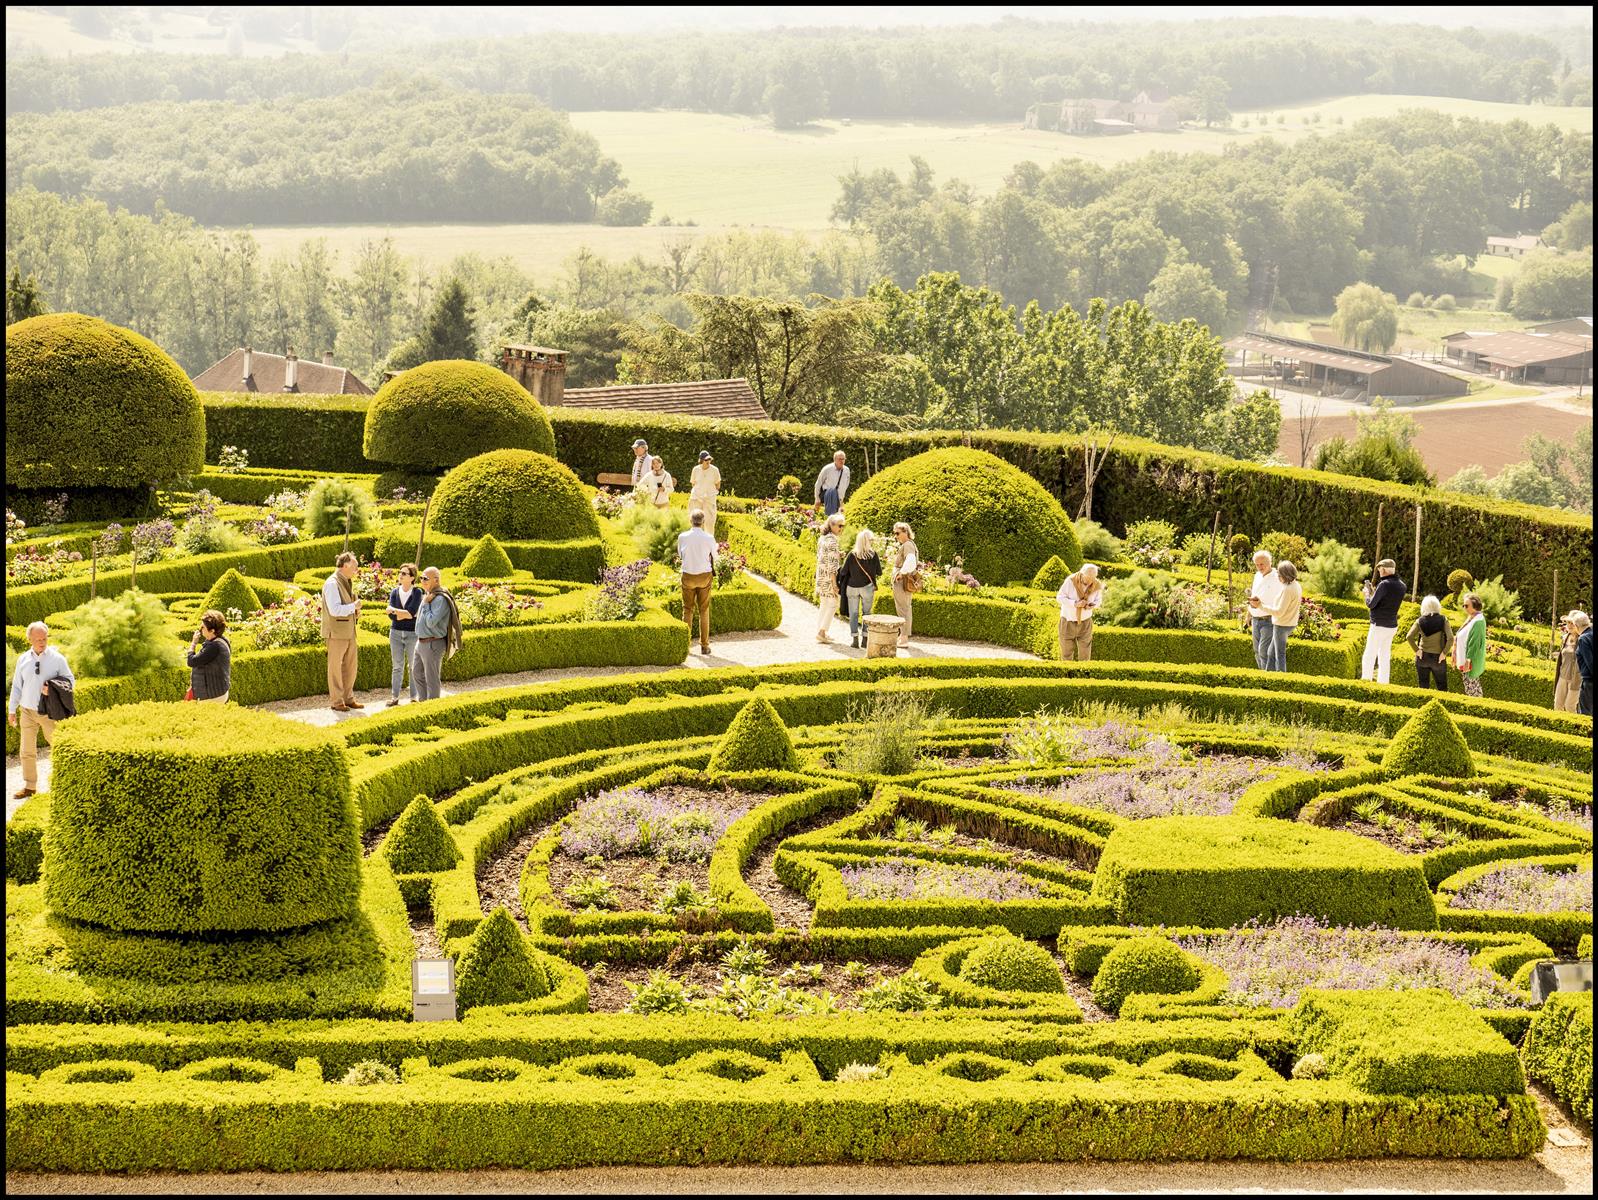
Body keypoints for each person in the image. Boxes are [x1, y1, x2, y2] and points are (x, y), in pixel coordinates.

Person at [7, 621, 74, 800]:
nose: (42, 642)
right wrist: (12, 709)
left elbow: (70, 681)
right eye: (38, 639)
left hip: (48, 712)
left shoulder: (57, 659)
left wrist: (52, 689)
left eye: (44, 638)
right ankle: (30, 787)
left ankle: (65, 784)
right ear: (30, 639)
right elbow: (17, 686)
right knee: (26, 750)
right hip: (27, 711)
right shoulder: (23, 659)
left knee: (59, 747)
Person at [321, 551, 363, 713]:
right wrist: (354, 607)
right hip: (336, 632)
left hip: (349, 631)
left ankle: (348, 698)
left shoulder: (345, 580)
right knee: (335, 668)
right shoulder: (332, 583)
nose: (357, 569)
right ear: (345, 565)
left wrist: (355, 612)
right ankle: (337, 701)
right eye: (355, 565)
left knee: (350, 667)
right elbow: (335, 609)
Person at [412, 567, 457, 702]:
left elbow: (431, 622)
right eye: (422, 578)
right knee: (416, 673)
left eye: (426, 578)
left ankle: (433, 706)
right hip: (421, 642)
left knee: (432, 678)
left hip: (432, 643)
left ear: (436, 580)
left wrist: (425, 604)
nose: (422, 580)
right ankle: (423, 702)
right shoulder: (428, 595)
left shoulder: (440, 599)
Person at [1360, 559, 1408, 684]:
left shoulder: (1384, 584)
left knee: (1369, 656)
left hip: (1379, 625)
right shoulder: (1402, 586)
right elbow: (1387, 601)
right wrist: (1374, 593)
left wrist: (1367, 594)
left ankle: (1365, 683)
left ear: (1385, 570)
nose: (1379, 571)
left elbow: (1371, 604)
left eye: (1380, 569)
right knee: (1384, 656)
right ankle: (1383, 684)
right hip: (1391, 626)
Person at [677, 509, 717, 656]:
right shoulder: (709, 538)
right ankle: (705, 646)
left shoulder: (683, 537)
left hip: (688, 575)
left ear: (690, 521)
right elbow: (715, 557)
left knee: (687, 609)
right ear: (703, 522)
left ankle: (685, 645)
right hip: (704, 576)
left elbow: (680, 555)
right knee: (704, 610)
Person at [385, 563, 423, 707]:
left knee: (413, 666)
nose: (400, 575)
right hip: (395, 633)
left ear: (412, 577)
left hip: (412, 634)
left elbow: (411, 612)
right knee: (397, 666)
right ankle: (394, 698)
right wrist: (403, 614)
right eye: (400, 572)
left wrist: (395, 611)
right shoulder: (394, 592)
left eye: (404, 573)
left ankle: (413, 697)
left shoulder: (417, 593)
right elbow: (394, 618)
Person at [1404, 595, 1455, 692]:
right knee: (1442, 688)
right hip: (1438, 658)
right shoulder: (1443, 619)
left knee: (1423, 687)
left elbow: (1409, 637)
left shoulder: (1419, 620)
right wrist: (1444, 653)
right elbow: (1451, 638)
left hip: (1422, 657)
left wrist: (1417, 651)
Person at [841, 529, 881, 649]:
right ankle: (865, 638)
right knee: (867, 614)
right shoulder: (873, 555)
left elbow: (843, 571)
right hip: (867, 588)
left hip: (852, 588)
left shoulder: (852, 555)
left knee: (853, 614)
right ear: (868, 541)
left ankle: (854, 639)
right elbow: (879, 572)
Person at [1056, 563, 1103, 661]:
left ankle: (1082, 674)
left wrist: (1092, 605)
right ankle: (1067, 675)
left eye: (1093, 579)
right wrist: (1075, 604)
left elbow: (1099, 601)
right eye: (1088, 578)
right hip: (1068, 621)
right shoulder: (1070, 580)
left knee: (1085, 654)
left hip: (1085, 622)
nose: (1090, 581)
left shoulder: (1097, 584)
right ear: (1082, 574)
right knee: (1066, 653)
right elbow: (1059, 597)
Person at [1263, 560, 1302, 672]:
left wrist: (1261, 606)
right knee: (1271, 653)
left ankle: (1281, 679)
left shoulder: (1288, 589)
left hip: (1282, 625)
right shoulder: (1296, 585)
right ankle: (1267, 676)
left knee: (1279, 655)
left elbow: (1279, 612)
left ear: (1285, 575)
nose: (1278, 577)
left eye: (1279, 574)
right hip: (1289, 623)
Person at [186, 610, 232, 704]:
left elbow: (191, 661)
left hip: (212, 696)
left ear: (212, 630)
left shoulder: (214, 646)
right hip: (219, 692)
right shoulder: (221, 640)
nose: (200, 628)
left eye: (203, 627)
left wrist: (193, 643)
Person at [813, 512, 845, 644]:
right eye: (839, 525)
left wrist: (838, 555)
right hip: (828, 577)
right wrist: (834, 583)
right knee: (833, 604)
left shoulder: (823, 538)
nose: (841, 528)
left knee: (824, 604)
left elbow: (823, 557)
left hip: (821, 576)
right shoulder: (832, 541)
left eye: (843, 526)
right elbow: (832, 566)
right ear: (831, 525)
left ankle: (821, 631)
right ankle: (822, 632)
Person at [1245, 550, 1279, 671]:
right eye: (1257, 564)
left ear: (1270, 562)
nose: (1260, 567)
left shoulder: (1278, 578)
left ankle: (1269, 680)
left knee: (1264, 651)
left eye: (1262, 564)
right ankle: (1263, 677)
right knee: (1257, 651)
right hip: (1255, 619)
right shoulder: (1257, 576)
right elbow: (1254, 596)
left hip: (1269, 620)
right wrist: (1248, 615)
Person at [1553, 610, 1590, 713]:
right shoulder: (1565, 638)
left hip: (1576, 680)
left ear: (1577, 625)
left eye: (1571, 623)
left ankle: (1572, 727)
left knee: (1570, 706)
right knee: (1558, 704)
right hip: (1562, 676)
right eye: (1567, 622)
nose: (1569, 625)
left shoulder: (1583, 639)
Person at [890, 521, 919, 649]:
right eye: (894, 533)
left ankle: (904, 638)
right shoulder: (909, 544)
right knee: (905, 607)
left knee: (903, 609)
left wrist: (901, 572)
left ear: (905, 532)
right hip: (903, 580)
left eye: (897, 533)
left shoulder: (907, 544)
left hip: (902, 581)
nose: (896, 536)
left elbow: (911, 560)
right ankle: (903, 636)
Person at [1453, 592, 1488, 698]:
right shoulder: (1472, 618)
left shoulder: (1477, 621)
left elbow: (1474, 643)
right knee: (1471, 687)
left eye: (1466, 605)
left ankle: (1477, 707)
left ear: (1475, 606)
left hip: (1469, 661)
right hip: (1467, 660)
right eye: (1464, 605)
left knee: (1472, 689)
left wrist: (1468, 660)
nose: (1464, 608)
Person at [689, 449, 722, 536]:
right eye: (706, 460)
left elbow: (718, 484)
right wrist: (699, 492)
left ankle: (709, 541)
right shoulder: (695, 469)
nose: (708, 461)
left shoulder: (715, 470)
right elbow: (693, 483)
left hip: (709, 499)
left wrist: (709, 493)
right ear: (701, 460)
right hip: (696, 498)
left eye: (709, 459)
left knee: (710, 521)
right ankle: (695, 539)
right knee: (696, 520)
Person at [814, 451, 851, 516]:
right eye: (840, 459)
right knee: (831, 517)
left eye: (843, 459)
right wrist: (817, 498)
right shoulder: (827, 469)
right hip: (828, 496)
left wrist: (841, 499)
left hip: (839, 499)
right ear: (835, 459)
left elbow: (845, 485)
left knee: (837, 518)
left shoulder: (846, 470)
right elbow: (818, 483)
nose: (842, 461)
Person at [1577, 620, 1593, 716]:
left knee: (1586, 713)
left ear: (1576, 625)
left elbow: (1590, 662)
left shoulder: (1583, 638)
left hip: (1589, 680)